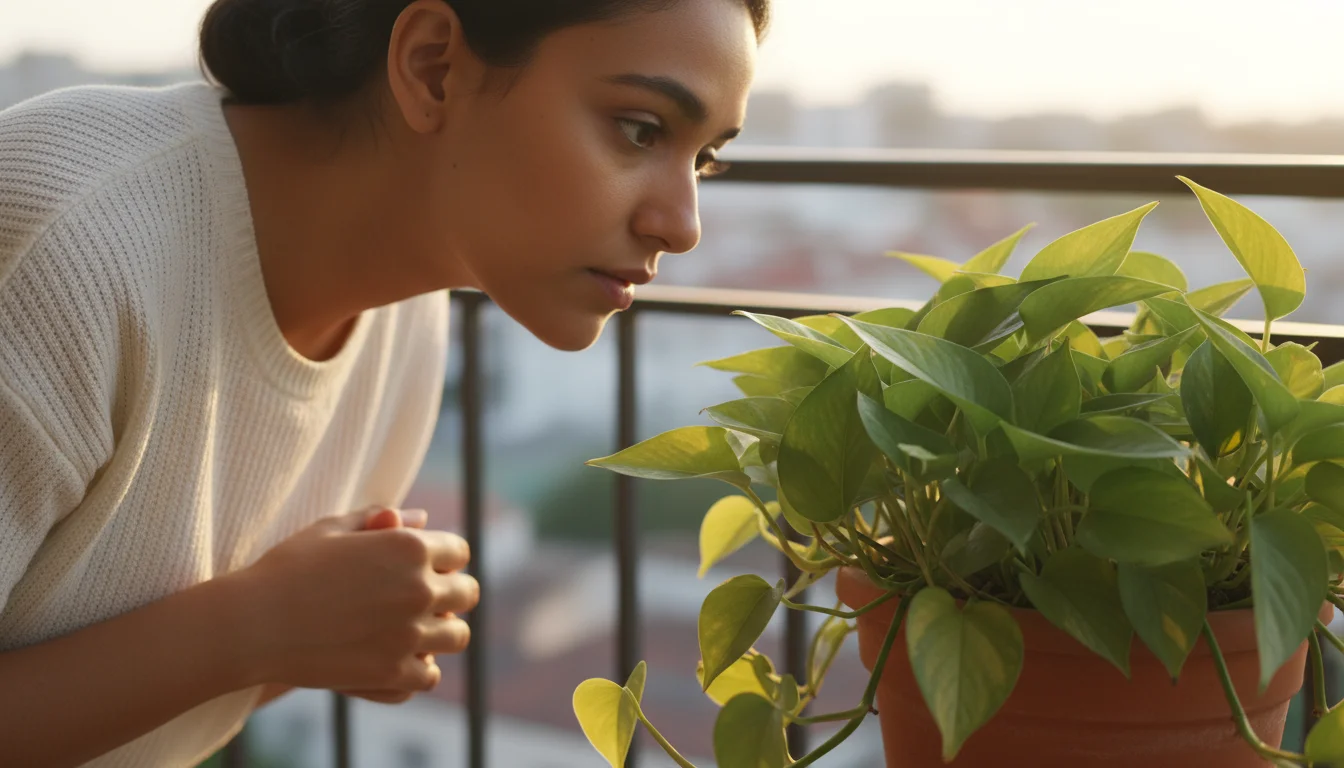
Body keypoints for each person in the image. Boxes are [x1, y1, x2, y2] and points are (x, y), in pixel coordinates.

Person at [0, 0, 766, 764]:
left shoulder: (407, 326)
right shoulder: (67, 229)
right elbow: (236, 649)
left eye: (705, 160)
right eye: (640, 129)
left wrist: (303, 631)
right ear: (432, 67)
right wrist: (256, 628)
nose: (684, 223)